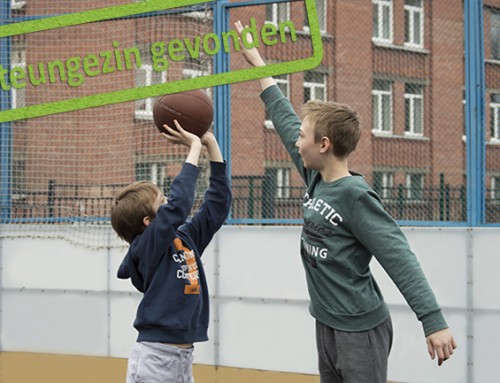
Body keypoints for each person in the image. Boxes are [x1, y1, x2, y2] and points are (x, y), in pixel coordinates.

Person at [235, 20, 457, 383]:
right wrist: (257, 61)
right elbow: (285, 117)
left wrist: (432, 320)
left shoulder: (355, 196)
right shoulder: (315, 177)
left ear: (324, 145)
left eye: (304, 136)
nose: (296, 141)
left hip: (360, 330)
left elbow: (398, 256)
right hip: (327, 322)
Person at [111, 120, 231, 383]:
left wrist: (211, 146)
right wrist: (194, 149)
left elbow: (217, 206)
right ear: (148, 222)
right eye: (161, 201)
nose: (167, 202)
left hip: (182, 361)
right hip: (155, 360)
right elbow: (179, 205)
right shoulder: (146, 248)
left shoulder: (184, 238)